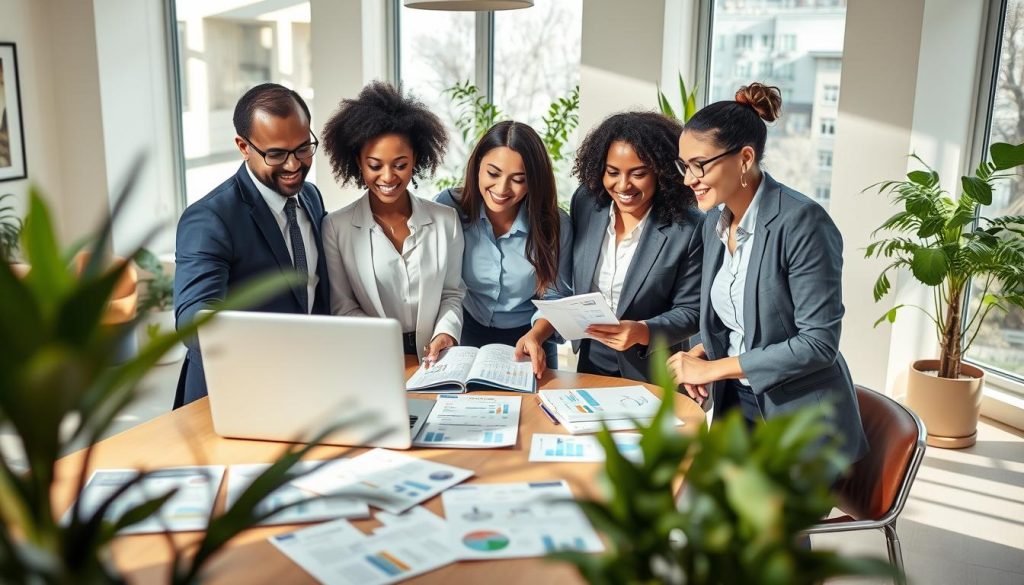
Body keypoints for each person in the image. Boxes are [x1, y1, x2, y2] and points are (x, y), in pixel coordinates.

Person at [668, 82, 868, 466]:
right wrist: (704, 354)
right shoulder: (714, 222)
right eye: (683, 165)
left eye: (699, 165)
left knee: (763, 525)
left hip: (802, 423)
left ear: (744, 158)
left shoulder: (802, 222)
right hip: (737, 409)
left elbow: (818, 343)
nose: (687, 179)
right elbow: (741, 323)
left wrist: (715, 367)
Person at [174, 83, 330, 407]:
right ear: (243, 146)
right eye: (276, 154)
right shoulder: (210, 218)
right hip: (229, 395)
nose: (293, 165)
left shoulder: (311, 197)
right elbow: (193, 319)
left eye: (303, 148)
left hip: (303, 385)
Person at [522, 111, 704, 383]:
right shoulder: (587, 203)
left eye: (638, 173)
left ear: (661, 172)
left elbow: (691, 311)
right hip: (590, 364)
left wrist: (642, 330)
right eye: (613, 172)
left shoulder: (688, 227)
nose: (623, 185)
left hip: (653, 372)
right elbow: (568, 283)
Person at [320, 81, 464, 365]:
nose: (388, 177)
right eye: (375, 165)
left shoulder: (446, 220)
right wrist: (383, 342)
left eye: (400, 164)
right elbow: (343, 306)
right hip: (370, 357)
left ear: (416, 161)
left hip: (436, 358)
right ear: (358, 163)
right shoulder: (336, 228)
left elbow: (452, 293)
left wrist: (445, 333)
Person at [434, 121, 572, 378]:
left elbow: (555, 297)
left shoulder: (554, 224)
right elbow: (437, 281)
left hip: (531, 339)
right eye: (493, 174)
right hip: (465, 334)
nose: (501, 189)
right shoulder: (450, 207)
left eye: (518, 180)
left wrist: (536, 336)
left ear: (534, 181)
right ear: (477, 168)